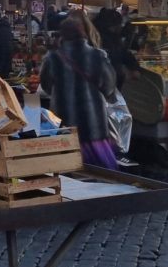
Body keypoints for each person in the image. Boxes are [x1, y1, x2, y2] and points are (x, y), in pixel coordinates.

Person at [40, 17, 118, 169]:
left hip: (64, 121)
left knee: (69, 167)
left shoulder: (52, 58)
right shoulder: (98, 56)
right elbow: (109, 86)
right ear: (83, 33)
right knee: (102, 171)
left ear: (62, 34)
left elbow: (46, 86)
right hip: (94, 123)